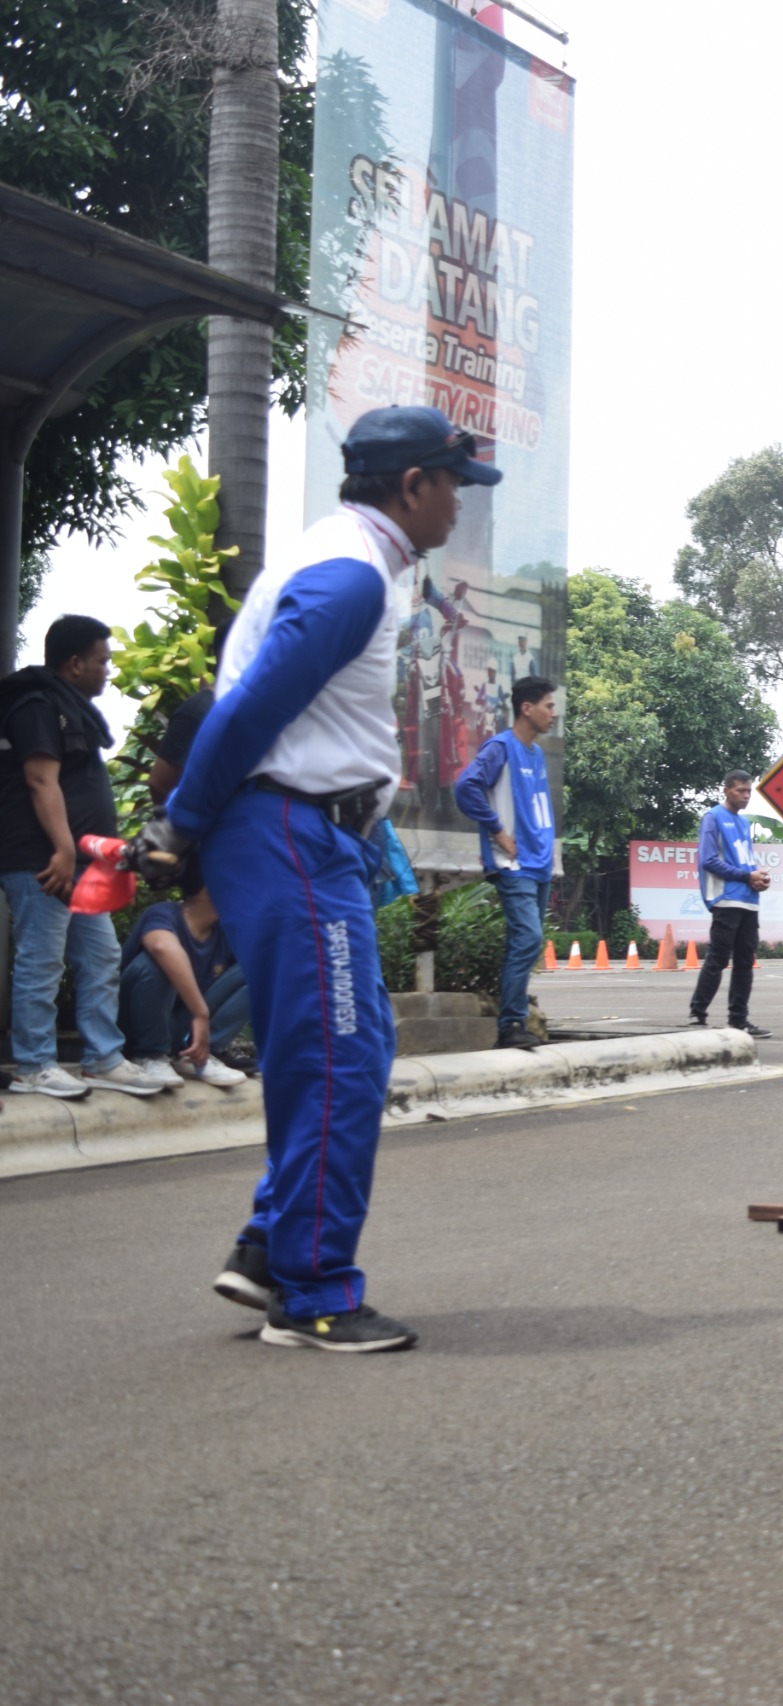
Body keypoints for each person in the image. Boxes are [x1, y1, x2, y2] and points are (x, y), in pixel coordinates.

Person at [161, 403, 504, 1352]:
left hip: (304, 834)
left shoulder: (354, 561)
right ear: (412, 487)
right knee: (341, 1058)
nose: (460, 509)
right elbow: (251, 707)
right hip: (290, 830)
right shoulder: (350, 576)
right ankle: (313, 1295)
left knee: (342, 1044)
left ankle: (274, 1248)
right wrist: (179, 825)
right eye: (455, 488)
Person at [0, 615, 168, 1098]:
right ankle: (34, 1065)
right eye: (102, 661)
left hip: (76, 861)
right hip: (45, 859)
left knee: (100, 955)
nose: (108, 670)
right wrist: (63, 848)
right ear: (75, 663)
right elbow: (39, 780)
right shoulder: (36, 705)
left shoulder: (68, 706)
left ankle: (102, 1058)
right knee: (42, 960)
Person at [454, 674, 561, 1050]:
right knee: (528, 938)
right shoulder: (501, 747)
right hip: (513, 864)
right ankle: (510, 1024)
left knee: (528, 943)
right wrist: (498, 831)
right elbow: (466, 787)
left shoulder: (535, 753)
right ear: (526, 708)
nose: (554, 713)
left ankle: (515, 1021)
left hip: (538, 864)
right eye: (548, 705)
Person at [118, 872, 249, 1087]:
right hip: (136, 1025)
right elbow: (161, 946)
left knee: (255, 968)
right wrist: (201, 1012)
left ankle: (200, 1053)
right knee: (156, 962)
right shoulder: (163, 913)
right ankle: (150, 1055)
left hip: (182, 1028)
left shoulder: (224, 931)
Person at [690, 769, 772, 1037]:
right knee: (718, 959)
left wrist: (758, 878)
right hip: (726, 900)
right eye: (741, 790)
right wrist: (746, 876)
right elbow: (708, 860)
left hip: (749, 900)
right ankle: (697, 1014)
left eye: (749, 791)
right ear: (726, 790)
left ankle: (739, 1019)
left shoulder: (745, 823)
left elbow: (743, 861)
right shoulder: (713, 818)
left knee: (745, 963)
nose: (746, 796)